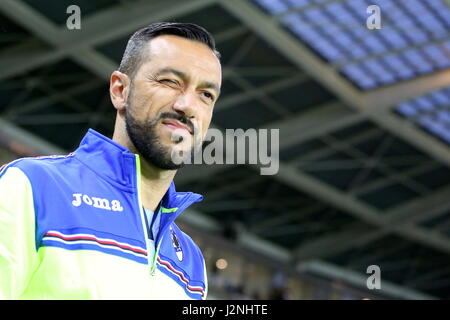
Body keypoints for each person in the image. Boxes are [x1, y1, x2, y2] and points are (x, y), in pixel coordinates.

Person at [0, 22, 222, 299]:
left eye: (206, 95)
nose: (187, 105)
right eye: (170, 81)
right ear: (120, 90)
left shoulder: (191, 262)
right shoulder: (32, 186)